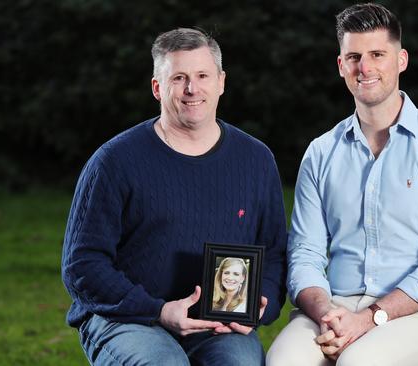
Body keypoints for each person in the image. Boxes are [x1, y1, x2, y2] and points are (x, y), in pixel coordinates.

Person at [61, 28, 287, 366]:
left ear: (221, 82)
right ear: (157, 88)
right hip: (128, 319)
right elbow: (82, 265)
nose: (192, 88)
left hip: (215, 325)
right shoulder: (115, 161)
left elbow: (274, 254)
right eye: (178, 78)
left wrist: (261, 299)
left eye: (201, 76)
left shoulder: (255, 160)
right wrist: (158, 311)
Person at [267, 3, 418, 366]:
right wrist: (326, 315)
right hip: (334, 309)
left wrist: (369, 319)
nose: (365, 67)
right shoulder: (321, 153)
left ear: (402, 60)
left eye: (378, 54)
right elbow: (305, 253)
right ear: (340, 66)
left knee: (359, 362)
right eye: (354, 57)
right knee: (284, 361)